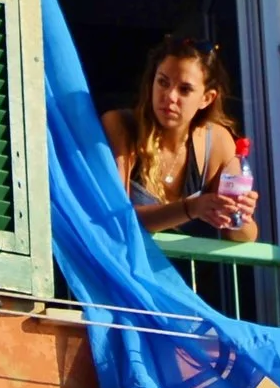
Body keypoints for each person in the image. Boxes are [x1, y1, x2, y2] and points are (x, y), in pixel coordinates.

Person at [101, 35, 259, 244]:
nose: (170, 96)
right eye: (163, 82)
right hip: (125, 263)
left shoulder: (216, 141)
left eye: (184, 89)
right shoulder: (122, 126)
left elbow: (244, 236)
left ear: (206, 98)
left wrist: (238, 214)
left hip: (188, 266)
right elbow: (117, 217)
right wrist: (191, 208)